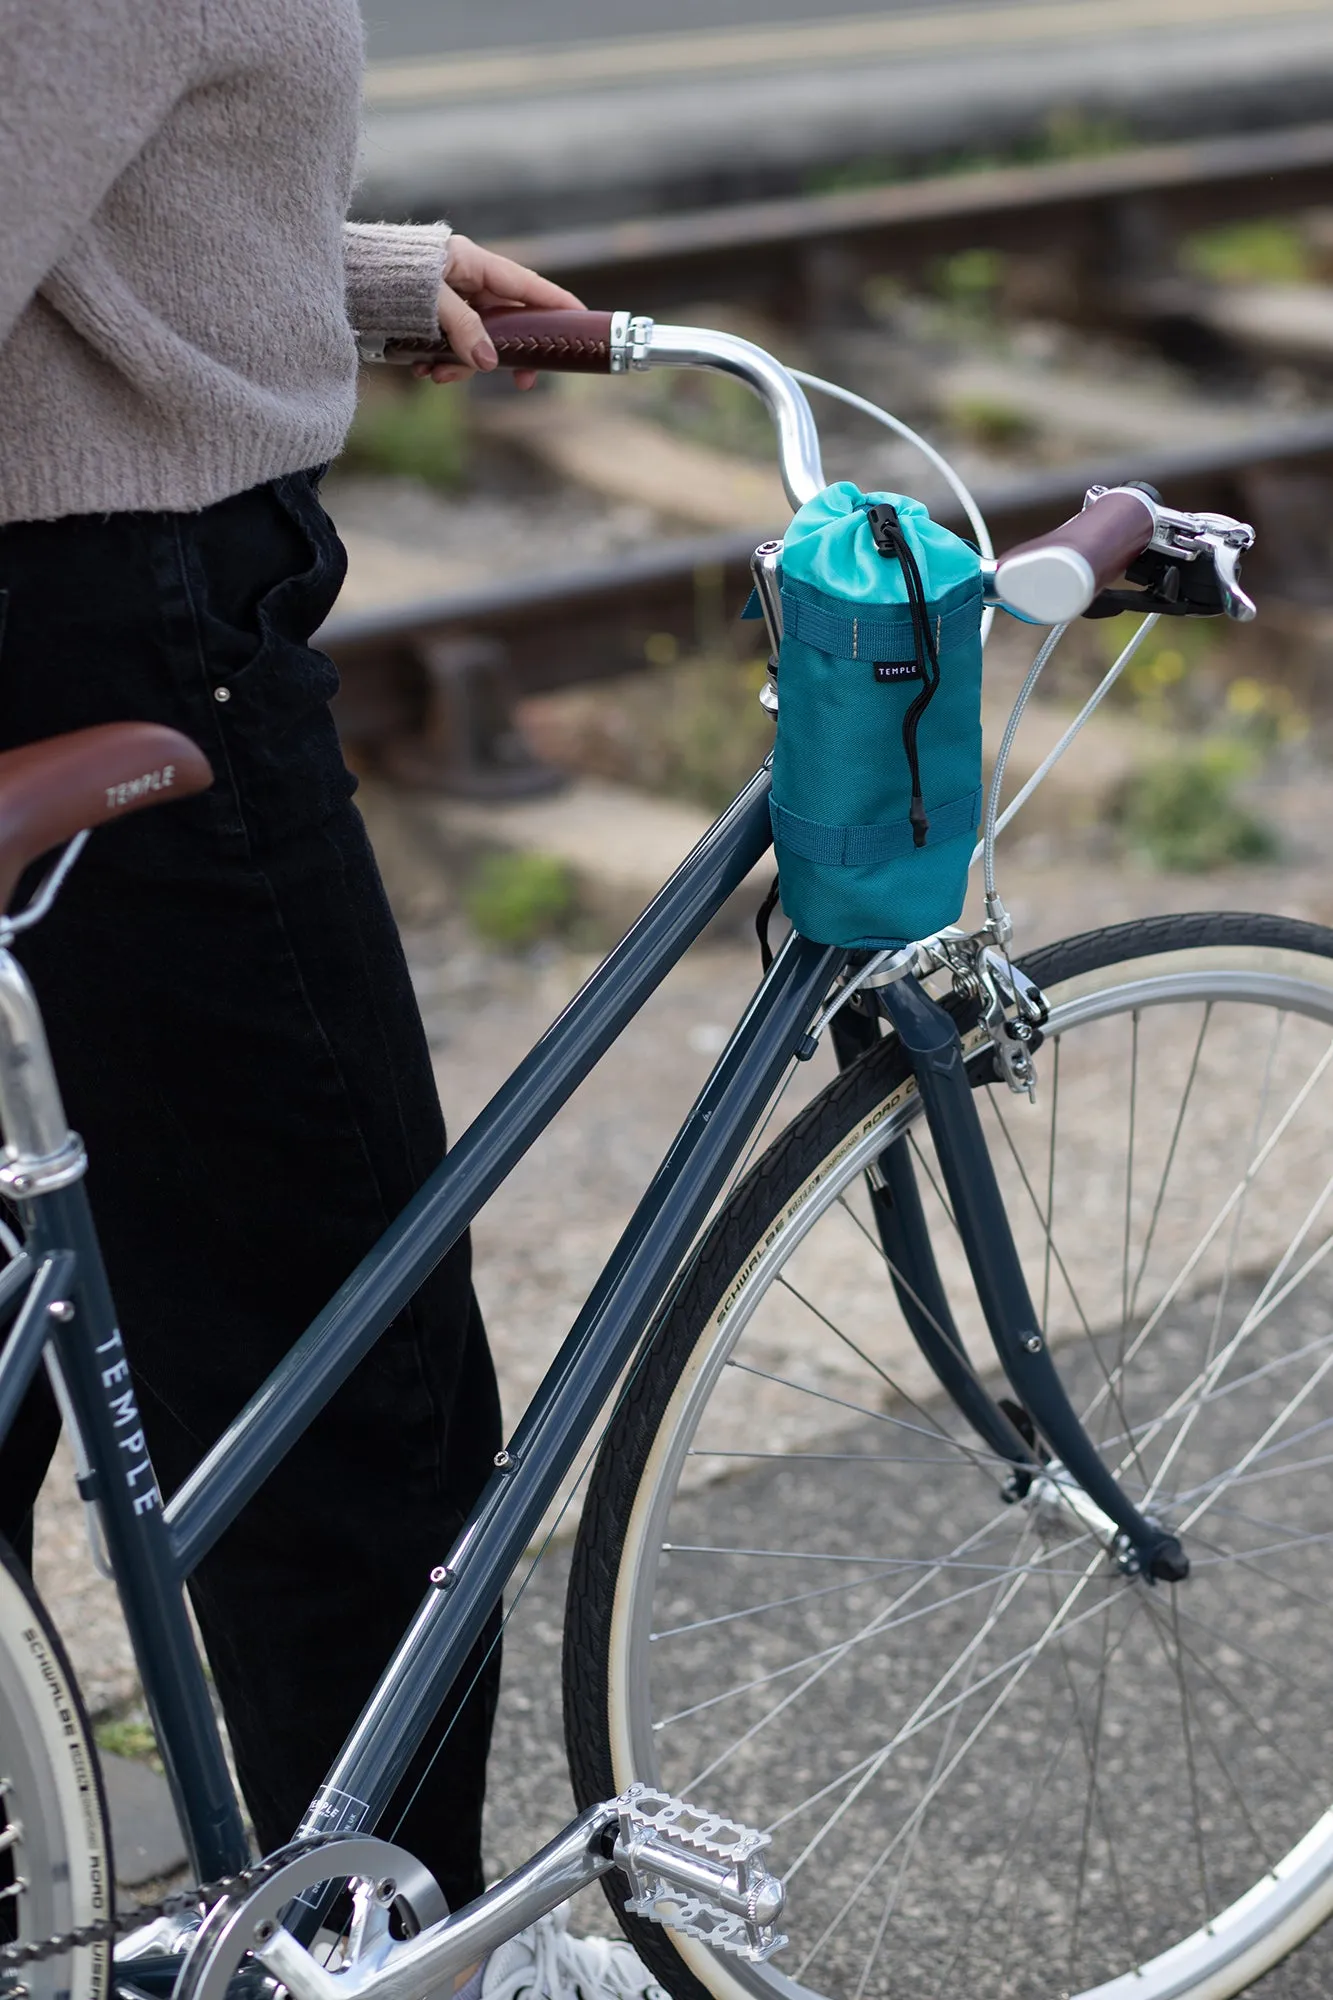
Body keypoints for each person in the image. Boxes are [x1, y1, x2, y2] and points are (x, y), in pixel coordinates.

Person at [0, 6, 662, 1997]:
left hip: (81, 599)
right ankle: (401, 1947)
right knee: (336, 1366)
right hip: (115, 635)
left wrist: (344, 270)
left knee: (53, 1317)